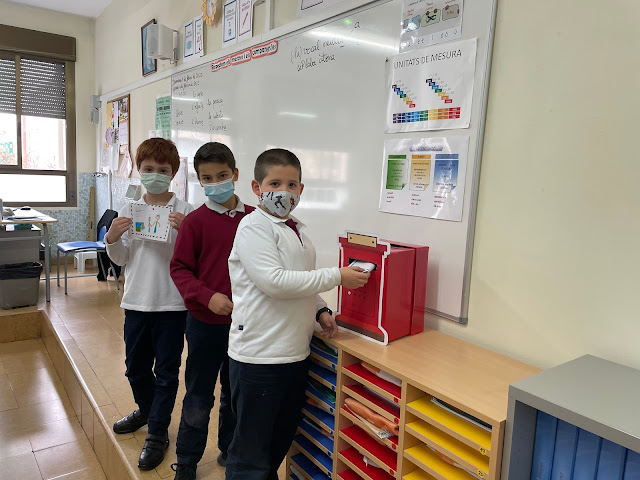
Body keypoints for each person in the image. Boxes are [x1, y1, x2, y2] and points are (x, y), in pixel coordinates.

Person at [225, 148, 370, 480]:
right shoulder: (253, 226)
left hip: (295, 354)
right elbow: (275, 282)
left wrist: (320, 310)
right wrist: (337, 276)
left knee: (277, 442)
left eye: (292, 185)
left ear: (301, 190)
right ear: (257, 187)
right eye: (275, 183)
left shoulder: (296, 229)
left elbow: (301, 280)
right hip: (259, 357)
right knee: (250, 456)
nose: (284, 192)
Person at [105, 138, 193, 471]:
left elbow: (196, 261)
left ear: (173, 173)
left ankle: (157, 432)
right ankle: (147, 409)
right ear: (139, 171)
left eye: (163, 170)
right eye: (148, 169)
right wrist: (111, 238)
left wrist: (187, 234)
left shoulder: (187, 212)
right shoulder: (129, 210)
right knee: (135, 368)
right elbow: (122, 258)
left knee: (167, 373)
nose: (155, 175)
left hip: (172, 305)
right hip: (137, 302)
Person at [169, 142, 255, 480]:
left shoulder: (256, 219)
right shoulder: (195, 222)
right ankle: (187, 460)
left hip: (245, 326)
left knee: (235, 394)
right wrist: (207, 297)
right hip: (205, 324)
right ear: (199, 181)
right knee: (198, 395)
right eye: (207, 178)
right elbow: (179, 269)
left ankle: (230, 449)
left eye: (222, 175)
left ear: (235, 174)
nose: (216, 183)